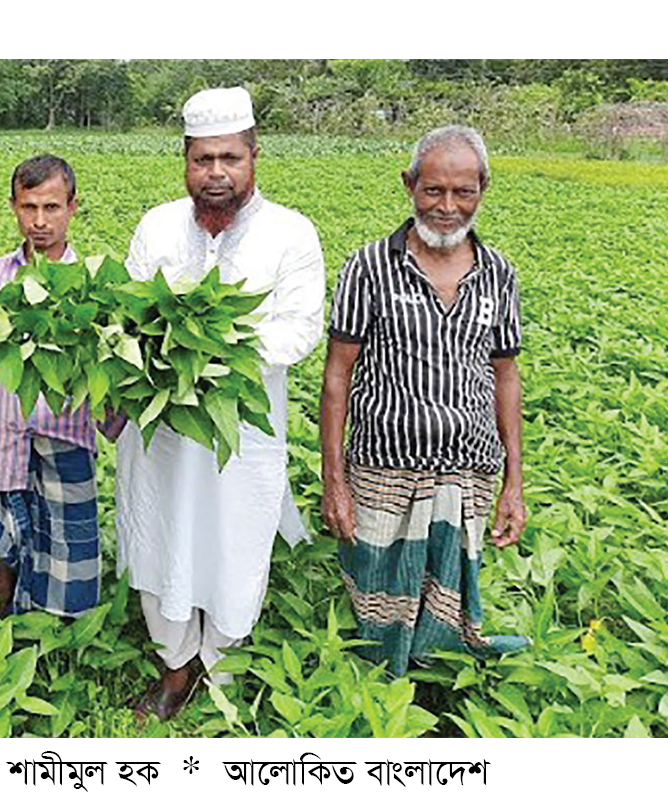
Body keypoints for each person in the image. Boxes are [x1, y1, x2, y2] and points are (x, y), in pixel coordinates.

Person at [115, 87, 326, 721]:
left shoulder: (291, 233)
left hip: (242, 429)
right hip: (163, 430)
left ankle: (223, 661)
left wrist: (212, 341)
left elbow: (300, 328)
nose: (216, 174)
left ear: (254, 157)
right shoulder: (156, 225)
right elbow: (128, 311)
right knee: (162, 530)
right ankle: (176, 664)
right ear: (185, 160)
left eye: (229, 159)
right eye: (203, 160)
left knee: (234, 537)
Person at [320, 125, 529, 677]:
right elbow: (337, 376)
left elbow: (506, 377)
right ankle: (376, 692)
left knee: (448, 593)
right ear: (409, 184)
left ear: (483, 189)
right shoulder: (368, 267)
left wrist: (514, 482)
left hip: (468, 470)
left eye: (464, 192)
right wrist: (334, 482)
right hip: (383, 468)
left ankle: (434, 690)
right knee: (376, 593)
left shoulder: (499, 274)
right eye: (433, 190)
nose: (448, 206)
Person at [0, 154, 101, 619]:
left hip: (64, 432)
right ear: (13, 206)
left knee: (68, 539)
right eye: (28, 208)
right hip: (5, 430)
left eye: (51, 208)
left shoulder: (90, 282)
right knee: (5, 538)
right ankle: (3, 618)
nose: (39, 221)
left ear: (73, 207)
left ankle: (60, 634)